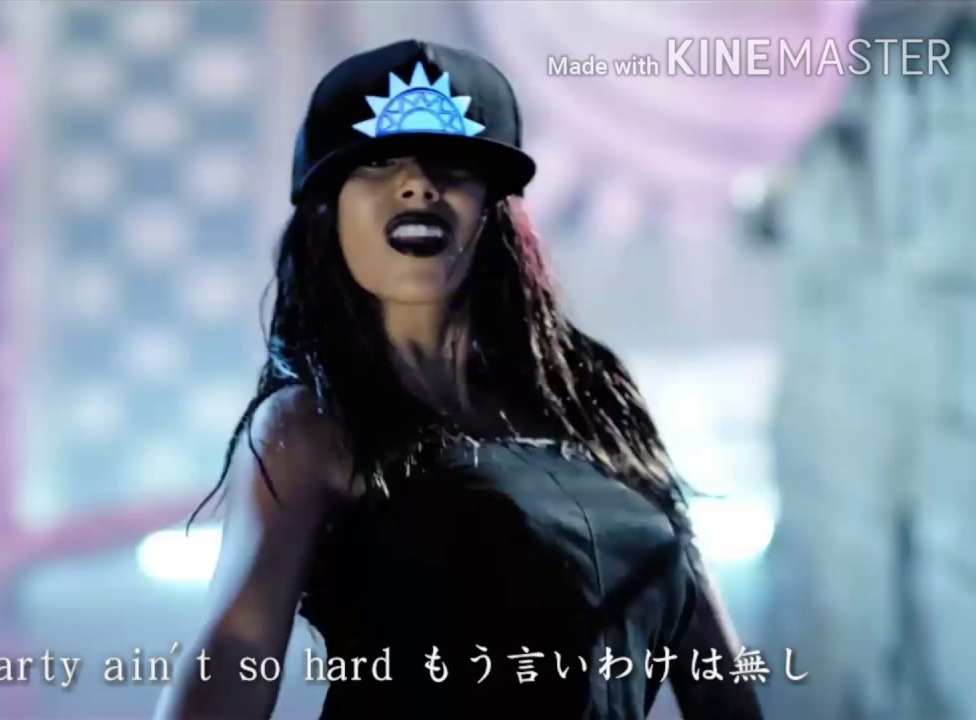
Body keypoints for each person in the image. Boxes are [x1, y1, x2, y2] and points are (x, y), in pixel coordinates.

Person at [154, 39, 764, 720]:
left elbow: (715, 668)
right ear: (327, 212)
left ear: (494, 210)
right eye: (379, 162)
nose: (418, 184)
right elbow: (237, 649)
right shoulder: (311, 425)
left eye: (452, 164)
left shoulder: (595, 393)